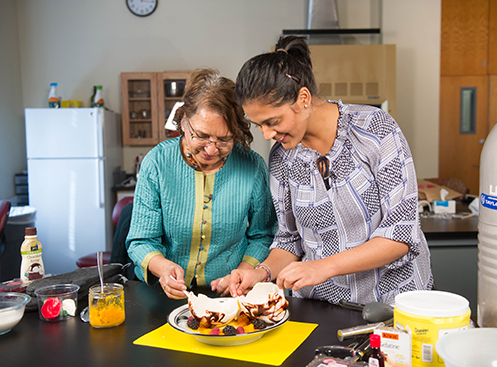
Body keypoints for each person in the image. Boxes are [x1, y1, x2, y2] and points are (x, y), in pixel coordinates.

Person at [227, 36, 433, 305]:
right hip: (322, 308)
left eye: (273, 121)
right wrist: (260, 272)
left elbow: (401, 234)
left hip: (392, 305)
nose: (267, 135)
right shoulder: (282, 158)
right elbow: (289, 241)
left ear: (303, 98)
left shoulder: (374, 130)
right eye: (259, 125)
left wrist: (320, 267)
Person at [126, 68, 277, 299]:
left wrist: (242, 274)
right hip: (160, 294)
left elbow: (262, 235)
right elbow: (141, 240)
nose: (211, 149)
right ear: (184, 121)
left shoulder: (252, 166)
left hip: (229, 294)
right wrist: (163, 268)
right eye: (202, 136)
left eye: (225, 140)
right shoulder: (157, 163)